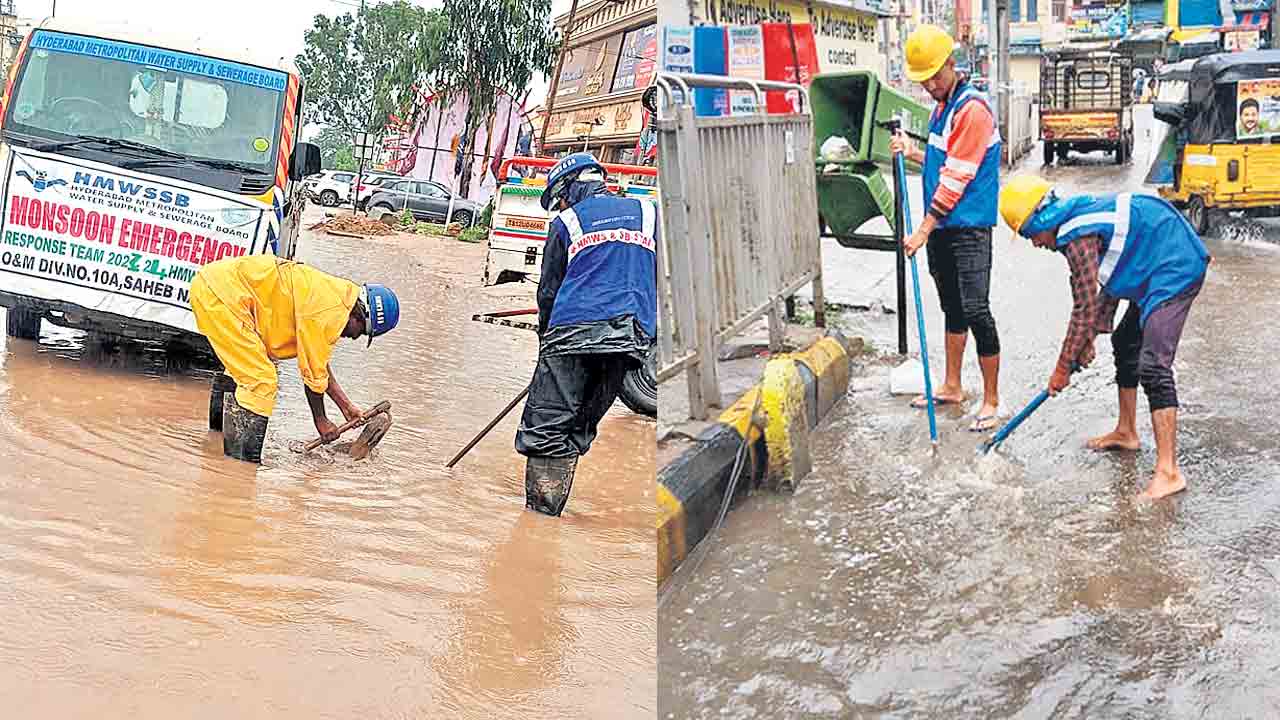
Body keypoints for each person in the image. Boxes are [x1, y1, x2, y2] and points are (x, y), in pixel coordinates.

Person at [997, 174, 1210, 500]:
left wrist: (1062, 368)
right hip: (1150, 262)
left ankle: (1169, 472)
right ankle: (1126, 431)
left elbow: (1083, 307)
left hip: (1175, 265)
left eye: (1029, 234)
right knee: (1126, 342)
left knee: (1154, 366)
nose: (1034, 244)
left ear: (1041, 219)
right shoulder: (1076, 218)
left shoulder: (1077, 237)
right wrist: (1089, 340)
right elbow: (1109, 280)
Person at [515, 152, 656, 517]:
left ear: (569, 189)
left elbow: (548, 291)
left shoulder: (566, 222)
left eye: (559, 199)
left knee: (547, 425)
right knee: (580, 422)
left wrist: (545, 345)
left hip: (572, 330)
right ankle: (549, 523)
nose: (559, 206)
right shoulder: (650, 213)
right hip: (632, 334)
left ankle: (538, 521)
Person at [890, 24, 1004, 432]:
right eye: (925, 80)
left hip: (968, 227)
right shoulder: (942, 108)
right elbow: (942, 163)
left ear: (952, 65)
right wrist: (914, 151)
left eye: (936, 76)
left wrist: (922, 228)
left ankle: (992, 399)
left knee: (976, 309)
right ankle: (953, 385)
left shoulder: (971, 109)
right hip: (944, 226)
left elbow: (956, 178)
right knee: (952, 308)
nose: (931, 85)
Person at [190, 254, 400, 463]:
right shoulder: (328, 313)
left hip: (217, 287)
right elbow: (313, 375)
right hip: (223, 297)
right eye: (361, 331)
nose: (355, 337)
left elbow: (317, 362)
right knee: (261, 381)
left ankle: (215, 441)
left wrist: (345, 406)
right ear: (359, 315)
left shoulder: (338, 297)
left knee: (243, 371)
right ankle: (239, 466)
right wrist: (322, 420)